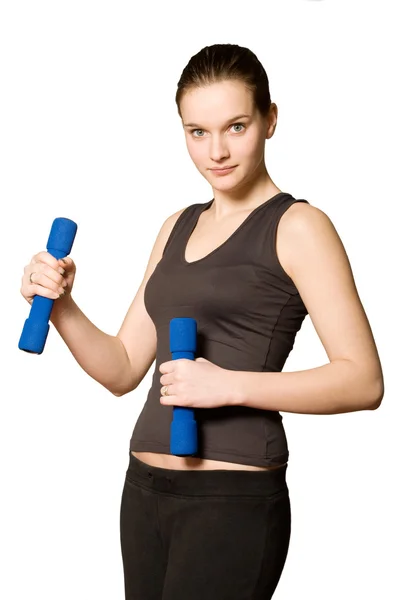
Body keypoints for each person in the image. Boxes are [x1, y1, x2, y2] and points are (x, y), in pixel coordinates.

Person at [20, 44, 384, 599]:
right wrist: (62, 303)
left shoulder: (298, 227)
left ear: (270, 120)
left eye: (235, 126)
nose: (216, 151)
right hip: (144, 488)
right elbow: (121, 369)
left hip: (231, 499)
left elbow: (363, 380)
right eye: (197, 132)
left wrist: (229, 386)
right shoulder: (177, 226)